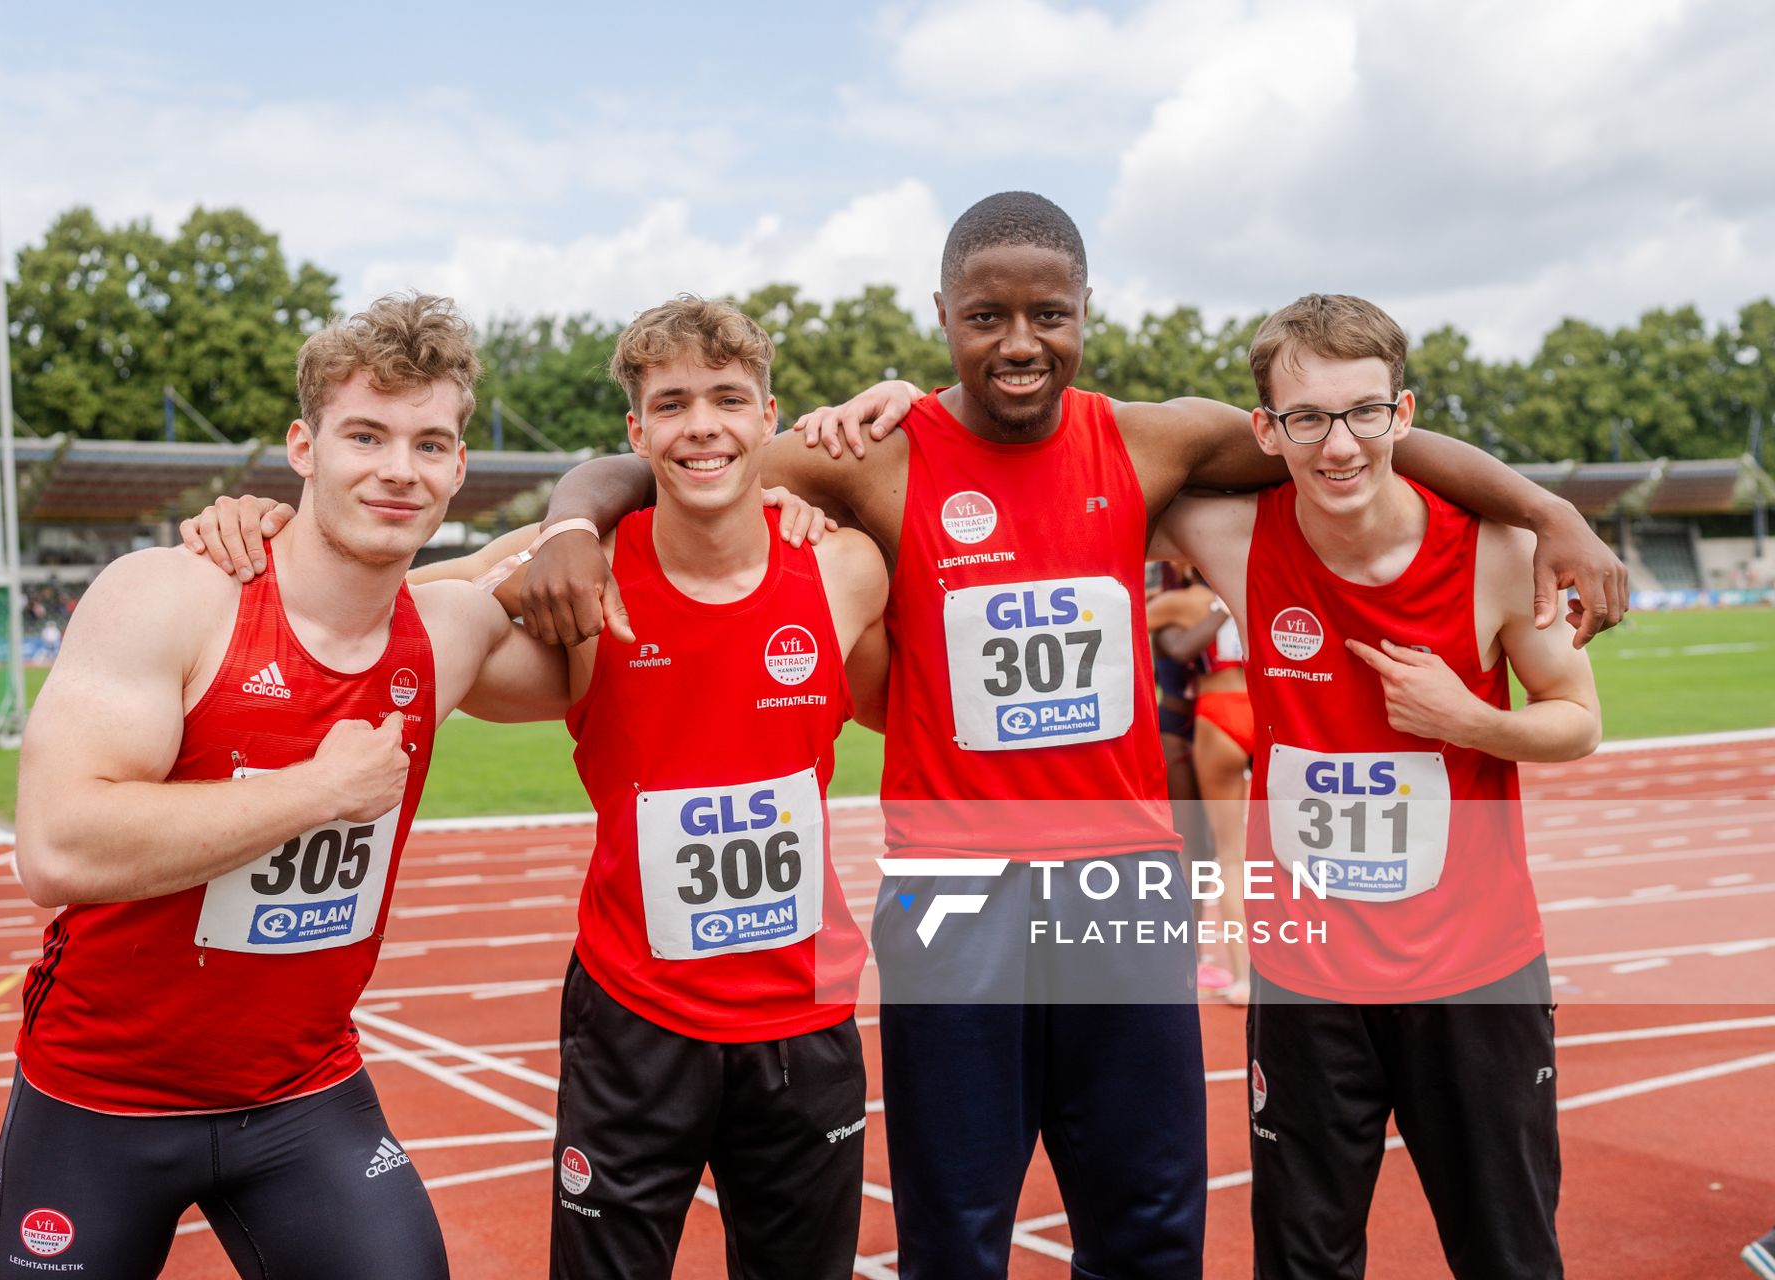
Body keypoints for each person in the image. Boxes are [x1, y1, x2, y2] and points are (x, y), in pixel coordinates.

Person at [187, 194, 1628, 1278]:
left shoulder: (1151, 440)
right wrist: (570, 515)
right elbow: (672, 451)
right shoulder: (877, 456)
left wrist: (1551, 510)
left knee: (1151, 1213)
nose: (1020, 343)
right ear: (941, 315)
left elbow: (1352, 430)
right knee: (954, 1219)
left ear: (1084, 312)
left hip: (1117, 879)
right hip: (954, 891)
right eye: (987, 314)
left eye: (1047, 313)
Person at [186, 296, 890, 1280]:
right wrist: (265, 523)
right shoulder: (577, 588)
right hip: (634, 1020)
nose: (704, 424)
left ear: (768, 418)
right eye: (673, 403)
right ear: (637, 433)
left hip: (805, 1023)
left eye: (730, 399)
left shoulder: (847, 569)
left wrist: (902, 395)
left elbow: (936, 499)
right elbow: (397, 594)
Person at [0, 295, 568, 1278]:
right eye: (364, 434)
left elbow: (626, 604)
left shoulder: (452, 632)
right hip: (102, 1098)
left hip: (303, 1092)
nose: (398, 468)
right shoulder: (172, 594)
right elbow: (56, 848)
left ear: (459, 468)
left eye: (431, 443)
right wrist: (316, 790)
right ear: (303, 446)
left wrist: (761, 490)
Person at [1153, 292, 1602, 1279]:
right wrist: (897, 401)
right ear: (1268, 431)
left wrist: (1475, 722)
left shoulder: (1497, 551)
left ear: (1405, 415)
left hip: (1476, 975)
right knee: (1302, 1259)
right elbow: (1067, 455)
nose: (1339, 445)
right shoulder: (1234, 536)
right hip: (1310, 976)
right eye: (1306, 418)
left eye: (1363, 412)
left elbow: (1578, 714)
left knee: (1510, 1254)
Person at [1148, 570, 1251, 1002]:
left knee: (1229, 858)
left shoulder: (1183, 602)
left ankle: (1242, 975)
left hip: (1218, 712)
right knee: (1270, 852)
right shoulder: (1252, 584)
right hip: (1263, 705)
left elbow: (1120, 614)